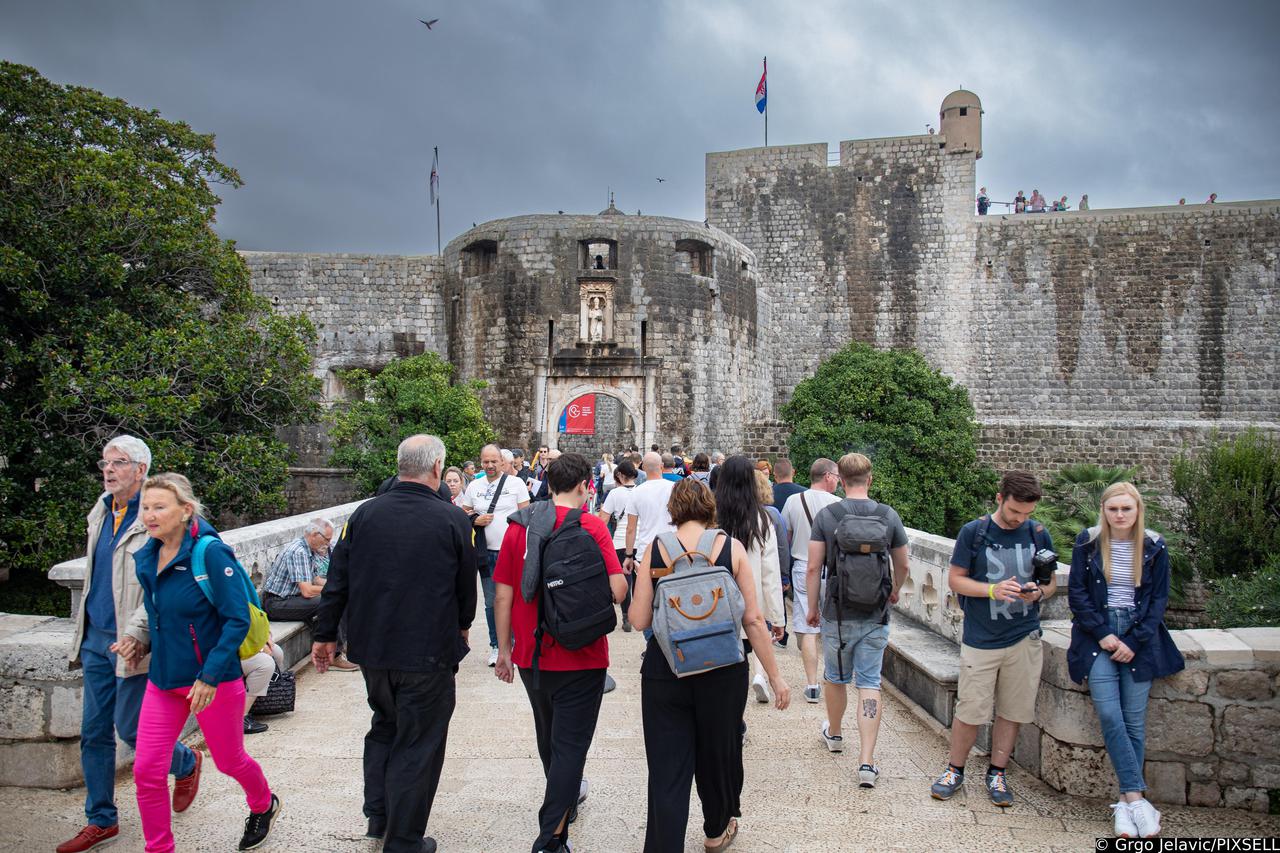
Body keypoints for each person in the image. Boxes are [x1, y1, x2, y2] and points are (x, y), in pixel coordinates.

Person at [312, 434, 476, 853]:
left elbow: (337, 581)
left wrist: (325, 634)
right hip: (428, 652)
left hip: (374, 650)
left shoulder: (363, 515)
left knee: (384, 726)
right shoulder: (453, 520)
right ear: (437, 468)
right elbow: (464, 590)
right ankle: (403, 840)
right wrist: (463, 626)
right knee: (419, 743)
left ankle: (379, 816)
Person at [114, 473, 278, 853]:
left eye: (159, 507)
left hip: (212, 682)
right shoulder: (148, 556)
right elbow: (158, 614)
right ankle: (160, 848)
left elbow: (236, 618)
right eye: (145, 507)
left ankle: (263, 803)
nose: (149, 515)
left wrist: (208, 676)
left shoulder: (209, 553)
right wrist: (137, 640)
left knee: (230, 761)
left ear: (185, 511)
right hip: (164, 680)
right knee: (147, 772)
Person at [628, 478, 791, 853]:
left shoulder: (655, 549)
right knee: (719, 752)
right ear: (708, 507)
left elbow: (638, 620)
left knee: (668, 767)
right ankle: (717, 831)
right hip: (722, 669)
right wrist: (776, 677)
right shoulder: (729, 549)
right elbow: (752, 620)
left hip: (666, 669)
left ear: (674, 510)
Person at [59, 436, 201, 853]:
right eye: (104, 462)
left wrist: (138, 634)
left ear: (140, 470)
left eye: (118, 463)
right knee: (93, 732)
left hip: (135, 642)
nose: (108, 470)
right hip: (94, 639)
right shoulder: (101, 510)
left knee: (134, 731)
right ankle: (101, 818)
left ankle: (187, 762)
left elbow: (164, 583)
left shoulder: (158, 516)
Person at [493, 453, 629, 853]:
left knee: (549, 739)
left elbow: (503, 594)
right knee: (571, 745)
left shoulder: (519, 529)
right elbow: (619, 590)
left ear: (546, 484)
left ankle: (563, 801)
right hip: (584, 654)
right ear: (587, 485)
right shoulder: (592, 526)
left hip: (532, 654)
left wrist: (503, 650)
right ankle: (551, 838)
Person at [930, 471, 1057, 808]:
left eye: (1026, 514)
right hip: (982, 637)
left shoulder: (1038, 533)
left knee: (1012, 711)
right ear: (1000, 499)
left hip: (1023, 635)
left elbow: (1051, 583)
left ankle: (997, 772)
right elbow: (956, 581)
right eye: (1015, 511)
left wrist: (1038, 593)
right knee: (971, 709)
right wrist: (992, 590)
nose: (1020, 519)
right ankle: (954, 769)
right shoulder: (975, 532)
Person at [1068, 483, 1184, 839]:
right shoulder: (1087, 542)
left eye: (1126, 509)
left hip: (1139, 636)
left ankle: (1124, 802)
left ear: (1137, 510)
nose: (1119, 515)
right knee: (1109, 713)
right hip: (1097, 635)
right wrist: (1104, 634)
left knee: (1134, 721)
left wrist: (1133, 641)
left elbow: (1158, 600)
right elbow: (1077, 593)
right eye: (1113, 509)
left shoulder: (1153, 545)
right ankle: (1137, 799)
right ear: (1103, 510)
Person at [805, 453, 909, 788]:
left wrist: (811, 607)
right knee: (869, 682)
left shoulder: (828, 515)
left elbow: (812, 567)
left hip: (837, 613)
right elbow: (903, 564)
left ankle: (834, 734)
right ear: (870, 479)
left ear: (841, 479)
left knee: (835, 677)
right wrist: (893, 591)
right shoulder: (887, 515)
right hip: (875, 613)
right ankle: (866, 762)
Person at [714, 456, 785, 704]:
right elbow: (770, 575)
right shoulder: (762, 520)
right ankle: (736, 721)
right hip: (746, 607)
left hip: (713, 606)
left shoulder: (711, 517)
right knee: (739, 669)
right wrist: (776, 617)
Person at [461, 443, 531, 666]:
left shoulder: (516, 483)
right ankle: (496, 646)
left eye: (494, 461)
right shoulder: (474, 486)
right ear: (481, 462)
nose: (490, 465)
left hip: (512, 552)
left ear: (502, 461)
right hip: (486, 552)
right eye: (486, 462)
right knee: (492, 601)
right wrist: (475, 520)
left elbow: (526, 515)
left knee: (516, 599)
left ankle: (517, 642)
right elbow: (464, 513)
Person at [780, 458, 841, 703]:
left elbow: (786, 535)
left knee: (808, 628)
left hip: (804, 567)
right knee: (832, 624)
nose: (838, 480)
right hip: (833, 569)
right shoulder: (839, 505)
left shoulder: (794, 501)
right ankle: (832, 675)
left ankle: (812, 684)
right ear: (827, 476)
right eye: (836, 476)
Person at [260, 518, 358, 671]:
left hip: (294, 599)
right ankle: (335, 655)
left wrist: (341, 586)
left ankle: (340, 647)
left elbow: (316, 580)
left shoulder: (309, 550)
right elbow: (307, 590)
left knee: (337, 597)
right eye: (326, 539)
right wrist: (336, 590)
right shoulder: (298, 551)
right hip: (277, 603)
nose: (327, 543)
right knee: (331, 601)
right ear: (314, 534)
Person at [622, 452, 676, 590]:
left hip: (645, 552)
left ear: (643, 467)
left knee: (644, 598)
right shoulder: (675, 488)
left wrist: (629, 555)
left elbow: (631, 528)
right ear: (662, 466)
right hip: (672, 549)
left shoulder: (636, 492)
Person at [598, 459, 639, 630]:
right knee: (639, 580)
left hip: (621, 541)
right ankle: (640, 613)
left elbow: (603, 519)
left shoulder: (614, 494)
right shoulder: (641, 491)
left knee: (625, 580)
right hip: (641, 540)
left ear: (621, 475)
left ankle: (627, 616)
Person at [241, 636, 286, 735]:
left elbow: (260, 624)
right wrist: (260, 647)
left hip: (247, 643)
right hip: (226, 651)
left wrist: (266, 636)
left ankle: (263, 702)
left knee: (276, 652)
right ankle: (240, 717)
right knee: (266, 663)